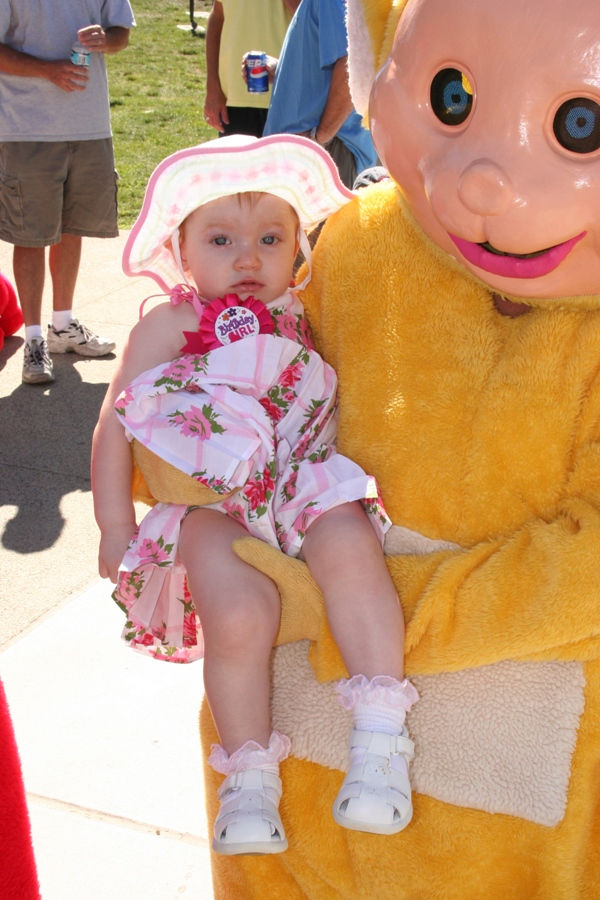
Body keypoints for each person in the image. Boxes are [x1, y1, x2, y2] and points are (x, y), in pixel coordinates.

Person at [91, 134, 418, 856]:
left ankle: (379, 740)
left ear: (297, 247)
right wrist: (114, 525)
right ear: (181, 251)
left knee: (351, 544)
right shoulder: (170, 323)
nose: (247, 259)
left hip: (300, 474)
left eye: (270, 239)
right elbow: (116, 421)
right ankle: (247, 781)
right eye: (221, 240)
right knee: (238, 613)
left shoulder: (302, 309)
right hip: (211, 503)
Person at [0, 1, 135, 385]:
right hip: (26, 128)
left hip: (89, 127)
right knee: (30, 235)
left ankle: (62, 325)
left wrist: (106, 40)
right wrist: (47, 70)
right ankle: (34, 340)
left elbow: (122, 33)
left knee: (72, 227)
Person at [258, 0, 378, 187]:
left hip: (323, 152)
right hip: (315, 150)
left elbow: (352, 65)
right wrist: (282, 70)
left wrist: (320, 137)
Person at [203, 0, 299, 137]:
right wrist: (213, 87)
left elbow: (313, 19)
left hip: (287, 98)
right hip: (234, 97)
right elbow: (217, 16)